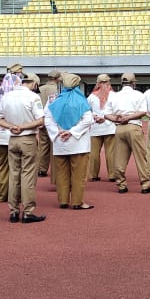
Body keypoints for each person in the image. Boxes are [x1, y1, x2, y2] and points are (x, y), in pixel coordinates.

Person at [0, 71, 45, 223]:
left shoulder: (7, 96)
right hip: (27, 138)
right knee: (28, 175)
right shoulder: (33, 97)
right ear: (34, 83)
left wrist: (11, 126)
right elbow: (40, 120)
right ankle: (28, 211)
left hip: (12, 138)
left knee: (14, 174)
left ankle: (14, 211)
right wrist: (22, 127)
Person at [44, 73, 95, 210]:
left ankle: (63, 201)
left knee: (61, 174)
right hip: (78, 144)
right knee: (78, 175)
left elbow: (47, 119)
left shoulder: (53, 100)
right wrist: (72, 132)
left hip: (60, 143)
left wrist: (57, 133)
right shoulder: (81, 100)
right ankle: (77, 202)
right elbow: (88, 120)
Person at [106, 72, 150, 194]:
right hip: (134, 126)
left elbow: (106, 114)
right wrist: (129, 117)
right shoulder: (139, 95)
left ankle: (121, 185)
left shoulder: (114, 96)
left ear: (122, 83)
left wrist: (117, 119)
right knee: (141, 157)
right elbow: (142, 112)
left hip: (119, 128)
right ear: (134, 83)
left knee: (119, 158)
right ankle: (145, 184)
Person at [87, 73, 115, 180]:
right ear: (108, 82)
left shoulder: (92, 96)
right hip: (110, 126)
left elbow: (87, 110)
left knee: (93, 153)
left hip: (95, 127)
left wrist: (95, 116)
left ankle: (93, 175)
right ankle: (112, 175)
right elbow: (116, 110)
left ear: (97, 83)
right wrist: (105, 117)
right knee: (111, 153)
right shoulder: (113, 95)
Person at [37, 70, 62, 176]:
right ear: (57, 79)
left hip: (41, 119)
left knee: (43, 146)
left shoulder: (40, 89)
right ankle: (56, 171)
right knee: (55, 146)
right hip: (53, 121)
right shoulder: (57, 90)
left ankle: (42, 168)